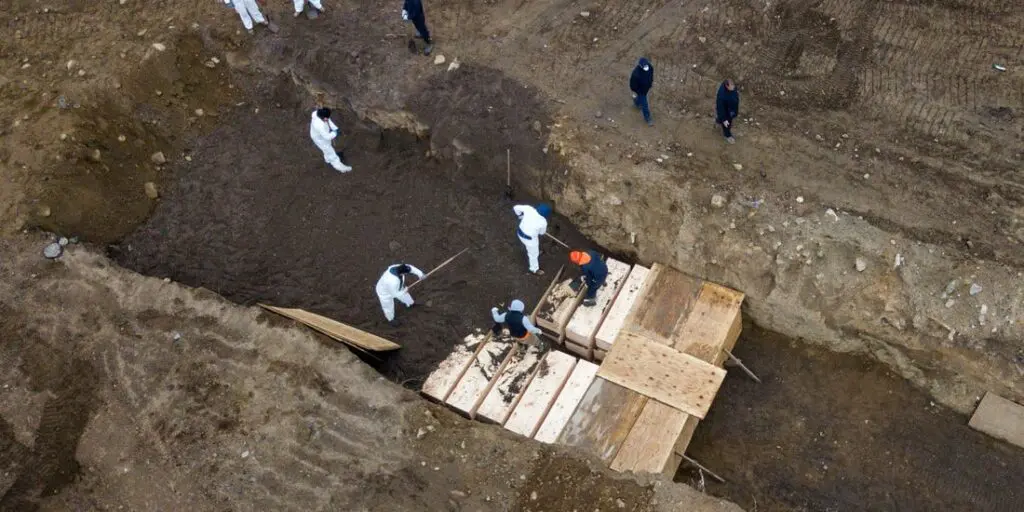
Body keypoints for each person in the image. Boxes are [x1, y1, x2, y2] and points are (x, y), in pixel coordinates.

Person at [309, 108, 352, 173]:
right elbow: (327, 137)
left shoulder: (320, 114)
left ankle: (328, 159)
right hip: (319, 139)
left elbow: (328, 120)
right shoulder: (318, 125)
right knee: (329, 150)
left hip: (322, 134)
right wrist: (335, 133)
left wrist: (335, 128)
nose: (327, 119)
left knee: (327, 147)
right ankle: (339, 166)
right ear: (322, 117)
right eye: (326, 118)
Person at [513, 203, 551, 276]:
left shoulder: (529, 209)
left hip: (519, 233)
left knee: (531, 247)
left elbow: (516, 207)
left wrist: (520, 216)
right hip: (529, 241)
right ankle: (533, 269)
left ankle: (534, 252)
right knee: (533, 255)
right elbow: (542, 233)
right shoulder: (543, 222)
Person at [629, 57, 654, 126]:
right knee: (645, 105)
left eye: (646, 65)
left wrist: (650, 83)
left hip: (646, 88)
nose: (646, 67)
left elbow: (651, 75)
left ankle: (636, 102)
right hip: (641, 91)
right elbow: (633, 86)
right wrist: (638, 91)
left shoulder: (650, 67)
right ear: (640, 66)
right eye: (644, 66)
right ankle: (647, 118)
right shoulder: (636, 74)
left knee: (641, 100)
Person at [715, 79, 740, 144]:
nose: (733, 87)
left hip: (732, 107)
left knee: (722, 119)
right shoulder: (722, 96)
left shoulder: (732, 87)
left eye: (733, 85)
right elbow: (720, 108)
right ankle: (727, 135)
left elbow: (734, 91)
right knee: (727, 124)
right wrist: (724, 119)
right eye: (731, 86)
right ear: (727, 86)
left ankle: (718, 121)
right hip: (727, 111)